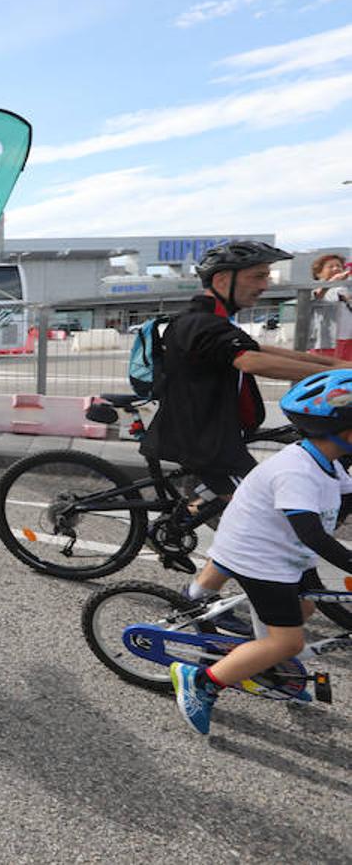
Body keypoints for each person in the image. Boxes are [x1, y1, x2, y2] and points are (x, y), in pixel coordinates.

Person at [139, 241, 347, 610]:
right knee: (266, 521)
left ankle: (204, 567)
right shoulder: (199, 322)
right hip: (205, 442)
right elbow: (251, 361)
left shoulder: (216, 319)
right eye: (258, 276)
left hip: (219, 434)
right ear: (222, 279)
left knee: (253, 515)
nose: (266, 284)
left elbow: (265, 351)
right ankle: (197, 600)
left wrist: (332, 366)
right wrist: (334, 375)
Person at [170, 369, 352, 736]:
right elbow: (311, 533)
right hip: (262, 559)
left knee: (303, 608)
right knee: (288, 641)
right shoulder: (296, 471)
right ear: (345, 430)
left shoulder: (329, 463)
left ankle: (259, 666)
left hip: (280, 553)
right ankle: (201, 682)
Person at [310, 253, 351, 359]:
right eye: (331, 266)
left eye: (339, 266)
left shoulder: (345, 288)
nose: (336, 268)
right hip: (327, 343)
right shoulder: (316, 287)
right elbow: (316, 297)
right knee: (327, 371)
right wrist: (331, 282)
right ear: (319, 273)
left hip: (348, 340)